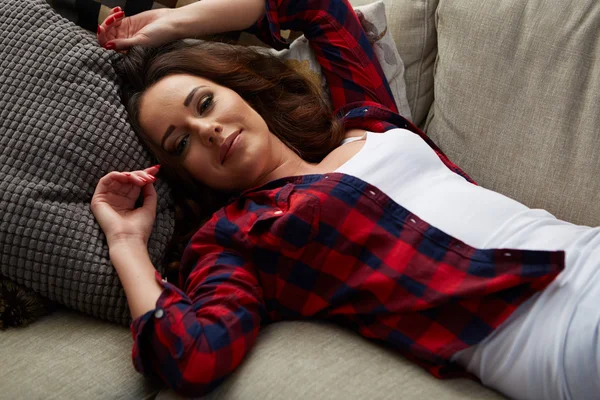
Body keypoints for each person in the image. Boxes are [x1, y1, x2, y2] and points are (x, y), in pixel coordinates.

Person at [90, 0, 600, 399]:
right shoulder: (235, 238)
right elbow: (195, 355)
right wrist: (126, 242)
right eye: (180, 142)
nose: (207, 130)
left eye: (205, 102)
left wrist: (175, 24)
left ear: (238, 90)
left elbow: (317, 10)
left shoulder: (366, 121)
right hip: (556, 334)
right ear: (185, 172)